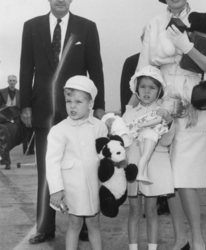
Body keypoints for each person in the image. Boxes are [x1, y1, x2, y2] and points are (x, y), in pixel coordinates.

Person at [136, 1, 206, 250]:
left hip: (194, 105)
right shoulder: (155, 23)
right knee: (170, 178)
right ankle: (181, 239)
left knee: (185, 177)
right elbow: (143, 69)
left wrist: (188, 48)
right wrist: (131, 111)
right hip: (163, 105)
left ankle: (198, 240)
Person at [19, 0, 105, 244]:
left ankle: (87, 223)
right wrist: (25, 104)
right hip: (43, 109)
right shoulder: (31, 26)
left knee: (86, 167)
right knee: (48, 169)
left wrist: (98, 106)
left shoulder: (87, 27)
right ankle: (45, 227)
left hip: (78, 111)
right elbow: (26, 67)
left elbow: (95, 67)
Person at [46, 76, 107, 250]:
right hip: (72, 186)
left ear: (90, 104)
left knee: (94, 223)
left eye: (78, 101)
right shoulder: (59, 130)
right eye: (68, 101)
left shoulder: (99, 127)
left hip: (94, 185)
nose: (72, 106)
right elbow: (52, 162)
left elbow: (105, 157)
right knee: (74, 223)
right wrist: (56, 190)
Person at [123, 65, 178, 250]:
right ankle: (133, 247)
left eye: (152, 87)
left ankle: (152, 247)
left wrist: (169, 122)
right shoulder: (129, 113)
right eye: (143, 86)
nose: (147, 91)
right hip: (133, 165)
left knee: (151, 210)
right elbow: (123, 141)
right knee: (133, 210)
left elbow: (167, 141)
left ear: (159, 91)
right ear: (136, 89)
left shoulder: (163, 112)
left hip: (154, 168)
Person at [0, 75, 20, 169]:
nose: (12, 82)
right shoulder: (1, 92)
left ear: (16, 82)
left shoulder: (20, 93)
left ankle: (5, 159)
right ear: (8, 81)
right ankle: (6, 161)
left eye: (14, 80)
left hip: (17, 119)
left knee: (9, 139)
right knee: (5, 137)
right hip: (4, 118)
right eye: (10, 80)